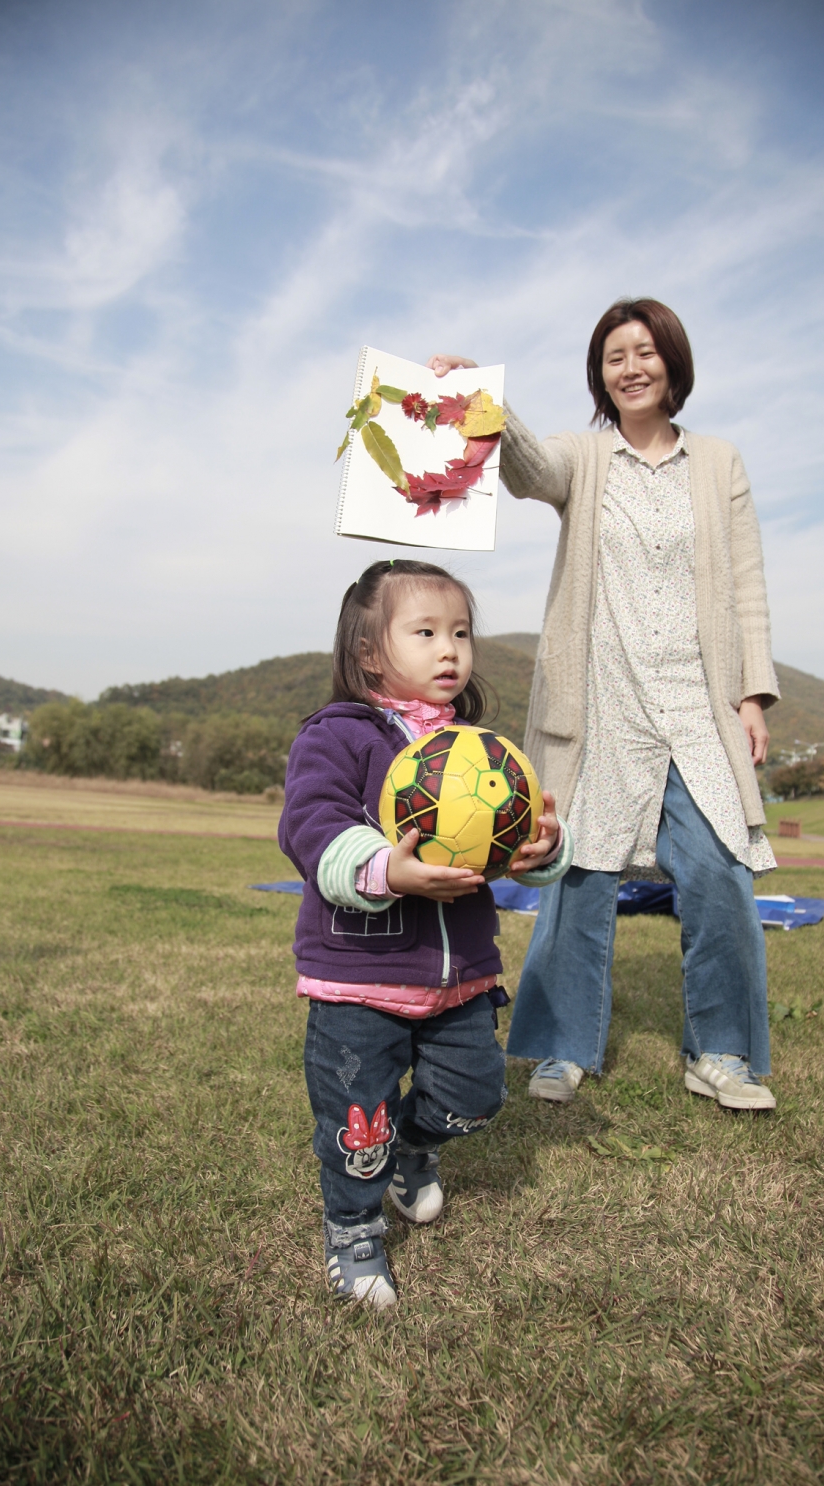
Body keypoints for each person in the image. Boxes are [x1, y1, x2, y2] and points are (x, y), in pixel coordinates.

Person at [428, 296, 779, 1114]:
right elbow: (527, 471)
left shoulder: (719, 463)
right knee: (577, 874)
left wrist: (752, 695)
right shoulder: (581, 458)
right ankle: (557, 1048)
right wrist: (480, 400)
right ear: (600, 373)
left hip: (697, 705)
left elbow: (748, 585)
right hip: (603, 703)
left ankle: (721, 1053)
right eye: (615, 355)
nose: (632, 366)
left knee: (721, 873)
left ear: (673, 364)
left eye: (646, 351)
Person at [279, 560, 573, 1309]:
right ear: (370, 651)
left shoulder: (482, 750)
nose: (451, 650)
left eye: (461, 633)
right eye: (426, 632)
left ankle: (419, 1146)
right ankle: (353, 1229)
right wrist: (386, 870)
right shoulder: (337, 736)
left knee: (475, 1098)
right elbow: (310, 830)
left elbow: (515, 843)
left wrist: (543, 848)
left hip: (461, 976)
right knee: (358, 1122)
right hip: (359, 979)